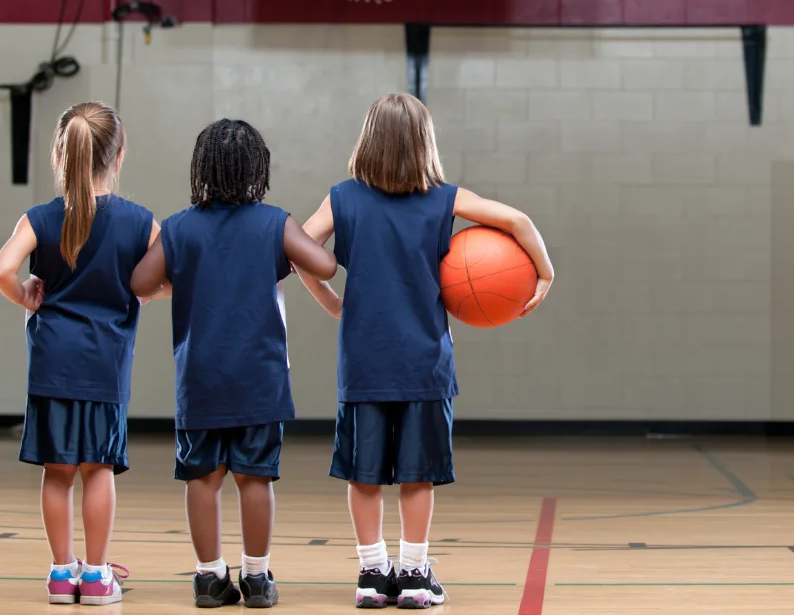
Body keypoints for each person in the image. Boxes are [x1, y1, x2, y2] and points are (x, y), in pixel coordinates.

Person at [298, 93, 554, 609]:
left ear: (366, 141)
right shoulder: (445, 199)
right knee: (418, 474)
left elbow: (300, 246)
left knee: (364, 474)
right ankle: (414, 573)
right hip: (425, 365)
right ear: (424, 144)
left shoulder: (342, 199)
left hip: (364, 364)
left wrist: (329, 301)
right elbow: (519, 221)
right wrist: (545, 271)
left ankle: (372, 573)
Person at [130, 119, 337, 609]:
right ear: (257, 171)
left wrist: (187, 275)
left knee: (202, 477)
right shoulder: (274, 222)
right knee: (255, 477)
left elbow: (140, 282)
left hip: (199, 378)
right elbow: (325, 266)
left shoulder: (180, 226)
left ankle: (207, 579)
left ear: (201, 168)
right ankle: (258, 579)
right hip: (260, 378)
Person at [0, 101, 163, 606]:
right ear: (118, 157)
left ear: (59, 152)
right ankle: (95, 576)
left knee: (58, 472)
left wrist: (24, 293)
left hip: (51, 364)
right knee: (98, 470)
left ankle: (58, 574)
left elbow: (3, 268)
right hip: (105, 366)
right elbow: (168, 280)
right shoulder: (140, 222)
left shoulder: (40, 218)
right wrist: (140, 290)